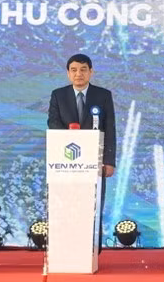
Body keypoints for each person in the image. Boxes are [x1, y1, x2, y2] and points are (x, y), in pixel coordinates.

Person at [47, 54, 115, 252]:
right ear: (68, 73)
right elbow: (53, 123)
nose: (79, 74)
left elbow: (109, 127)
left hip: (95, 161)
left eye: (83, 69)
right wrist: (72, 139)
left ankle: (92, 247)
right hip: (67, 161)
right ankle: (67, 246)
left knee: (93, 203)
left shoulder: (103, 95)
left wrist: (109, 160)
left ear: (91, 72)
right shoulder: (58, 95)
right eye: (74, 70)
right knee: (68, 203)